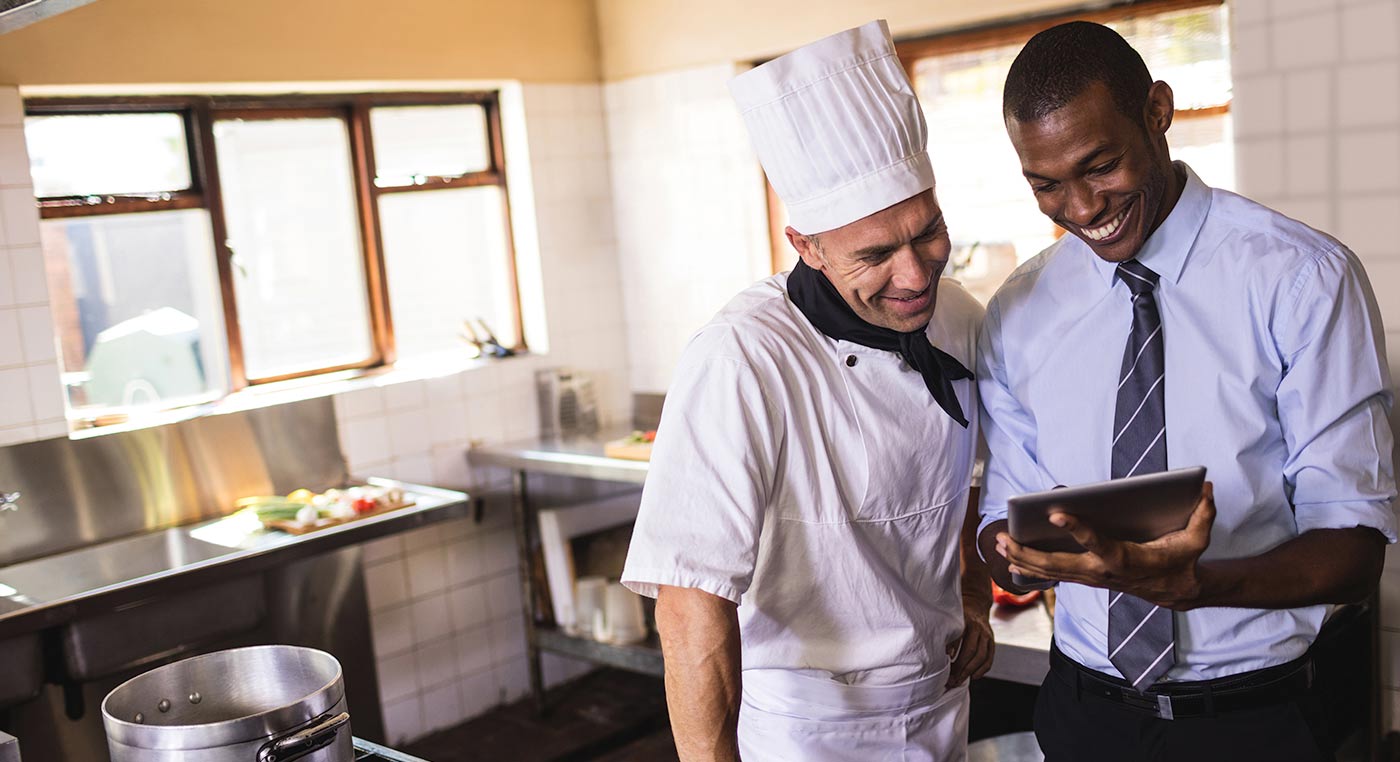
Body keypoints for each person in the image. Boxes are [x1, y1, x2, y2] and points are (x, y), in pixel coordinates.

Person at [976, 20, 1397, 762]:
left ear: (1158, 112)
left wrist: (1193, 584)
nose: (1080, 210)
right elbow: (1001, 516)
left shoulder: (1301, 280)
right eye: (1046, 184)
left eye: (1100, 165)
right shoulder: (1020, 310)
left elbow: (1357, 549)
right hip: (1083, 714)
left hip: (1250, 723)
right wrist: (1010, 553)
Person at [621, 19, 994, 762]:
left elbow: (977, 478)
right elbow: (691, 602)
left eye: (928, 233)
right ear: (807, 247)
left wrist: (974, 596)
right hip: (809, 730)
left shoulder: (958, 319)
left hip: (940, 700)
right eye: (877, 254)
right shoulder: (742, 359)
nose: (917, 274)